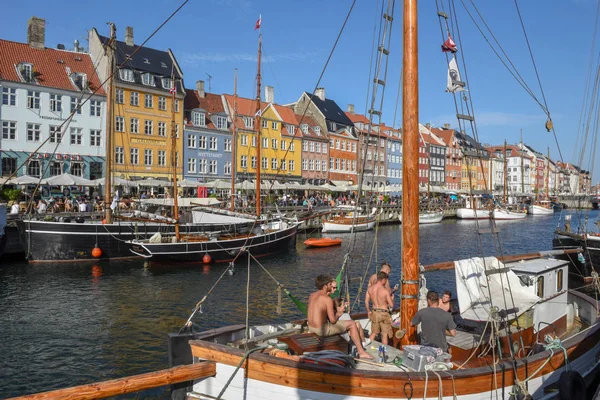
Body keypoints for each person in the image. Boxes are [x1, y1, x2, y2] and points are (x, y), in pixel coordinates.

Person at [307, 274, 373, 359]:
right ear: (325, 286)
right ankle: (361, 352)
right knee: (352, 324)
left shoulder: (312, 295)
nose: (331, 286)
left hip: (311, 327)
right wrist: (338, 314)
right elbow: (333, 321)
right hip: (321, 330)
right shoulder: (327, 299)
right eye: (330, 285)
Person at [365, 271, 394, 344]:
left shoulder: (370, 289)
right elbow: (391, 305)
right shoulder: (385, 291)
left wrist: (368, 311)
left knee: (374, 332)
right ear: (383, 279)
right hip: (384, 314)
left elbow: (366, 301)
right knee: (384, 334)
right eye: (386, 280)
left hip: (375, 312)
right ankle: (384, 351)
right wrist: (392, 299)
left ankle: (367, 348)